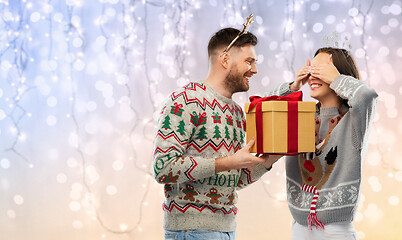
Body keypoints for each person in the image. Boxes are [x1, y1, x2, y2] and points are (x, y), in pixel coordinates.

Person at [152, 27, 287, 240]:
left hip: (227, 230)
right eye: (249, 61)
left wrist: (267, 161)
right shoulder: (185, 101)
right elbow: (163, 168)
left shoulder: (236, 112)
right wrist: (228, 162)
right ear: (225, 59)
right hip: (191, 231)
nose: (254, 70)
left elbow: (234, 180)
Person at [269, 47, 378, 239]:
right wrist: (293, 86)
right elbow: (263, 107)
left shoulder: (353, 121)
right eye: (312, 69)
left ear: (338, 74)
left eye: (322, 70)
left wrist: (335, 79)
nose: (313, 75)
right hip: (299, 228)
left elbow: (367, 96)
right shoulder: (301, 116)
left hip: (336, 231)